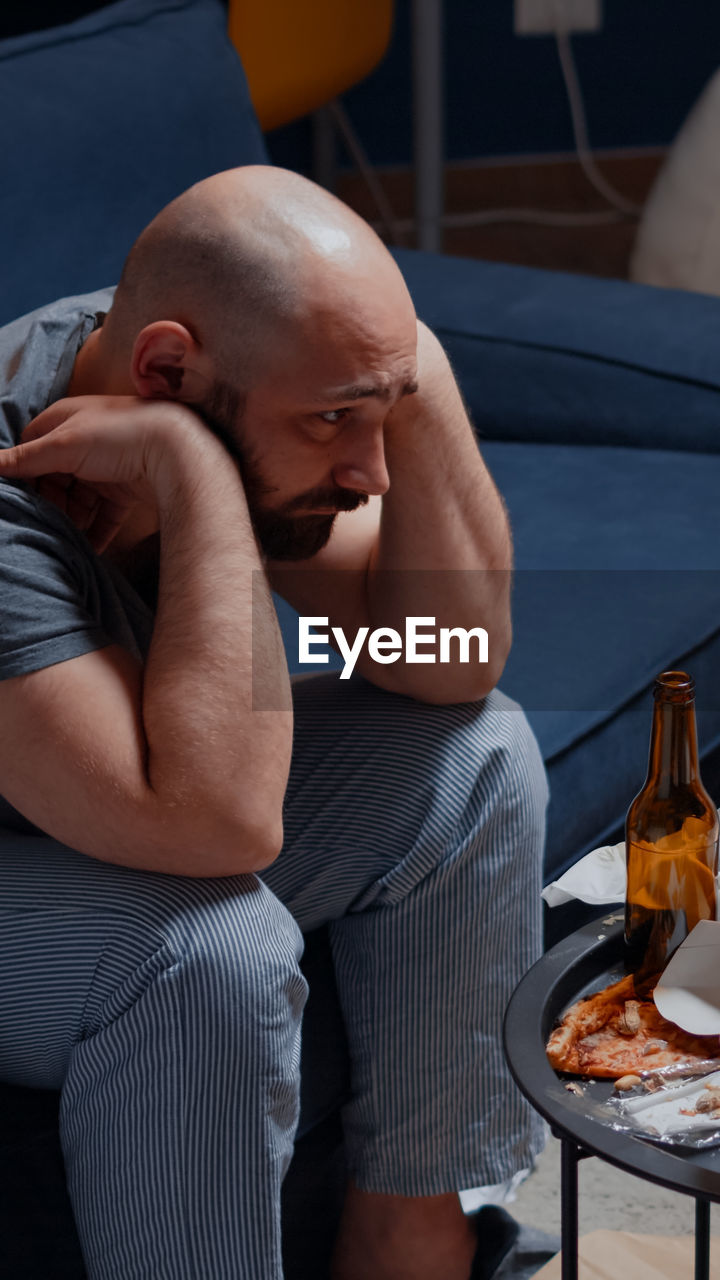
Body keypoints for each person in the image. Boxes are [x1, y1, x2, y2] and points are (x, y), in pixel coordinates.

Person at [0, 165, 547, 1280]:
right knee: (206, 950)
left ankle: (409, 1241)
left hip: (98, 799)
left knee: (479, 758)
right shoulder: (24, 494)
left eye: (376, 417)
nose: (370, 470)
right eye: (334, 421)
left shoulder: (198, 378)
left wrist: (407, 368)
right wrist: (194, 472)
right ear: (165, 368)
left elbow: (450, 659)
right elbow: (220, 823)